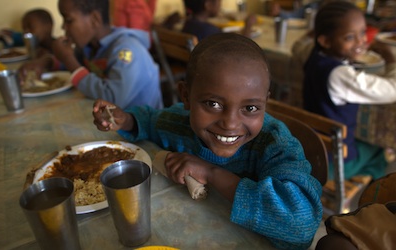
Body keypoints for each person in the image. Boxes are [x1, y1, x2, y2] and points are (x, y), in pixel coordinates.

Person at [92, 33, 323, 249]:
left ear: (265, 102)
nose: (230, 124)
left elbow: (301, 224)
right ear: (186, 96)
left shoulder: (275, 146)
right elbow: (151, 121)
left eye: (250, 108)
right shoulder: (178, 123)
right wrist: (126, 120)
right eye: (213, 104)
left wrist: (211, 173)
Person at [303, 1, 396, 180]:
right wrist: (390, 59)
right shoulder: (340, 76)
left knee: (361, 142)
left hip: (312, 150)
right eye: (350, 37)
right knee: (380, 151)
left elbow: (298, 44)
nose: (362, 41)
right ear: (325, 41)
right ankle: (372, 199)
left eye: (362, 32)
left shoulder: (310, 53)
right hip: (333, 164)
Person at [18, 0, 163, 110]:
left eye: (68, 20)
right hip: (110, 123)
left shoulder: (127, 50)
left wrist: (69, 60)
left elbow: (113, 99)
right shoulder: (91, 45)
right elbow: (71, 59)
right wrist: (45, 62)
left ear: (95, 19)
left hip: (143, 132)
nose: (63, 27)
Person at [181, 0, 257, 41]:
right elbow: (241, 48)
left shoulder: (188, 23)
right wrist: (248, 25)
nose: (220, 4)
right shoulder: (209, 31)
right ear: (208, 5)